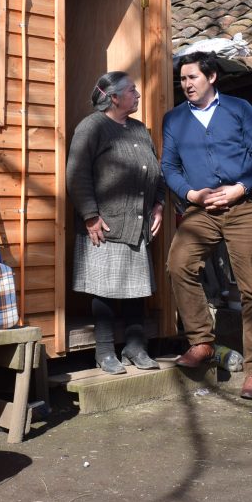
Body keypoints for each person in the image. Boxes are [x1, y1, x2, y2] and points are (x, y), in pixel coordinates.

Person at [161, 52, 252, 399]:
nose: (186, 84)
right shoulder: (175, 119)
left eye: (192, 77)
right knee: (178, 264)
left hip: (245, 206)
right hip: (203, 208)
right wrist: (192, 194)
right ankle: (202, 342)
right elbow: (169, 166)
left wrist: (240, 188)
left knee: (251, 287)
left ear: (211, 77)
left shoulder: (239, 109)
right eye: (182, 79)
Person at [67, 71, 165, 374]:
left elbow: (156, 172)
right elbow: (77, 174)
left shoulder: (138, 129)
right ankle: (105, 351)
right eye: (132, 91)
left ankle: (136, 348)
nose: (137, 95)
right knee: (106, 290)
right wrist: (90, 215)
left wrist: (158, 205)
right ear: (114, 97)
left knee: (137, 291)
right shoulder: (92, 127)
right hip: (105, 224)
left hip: (138, 222)